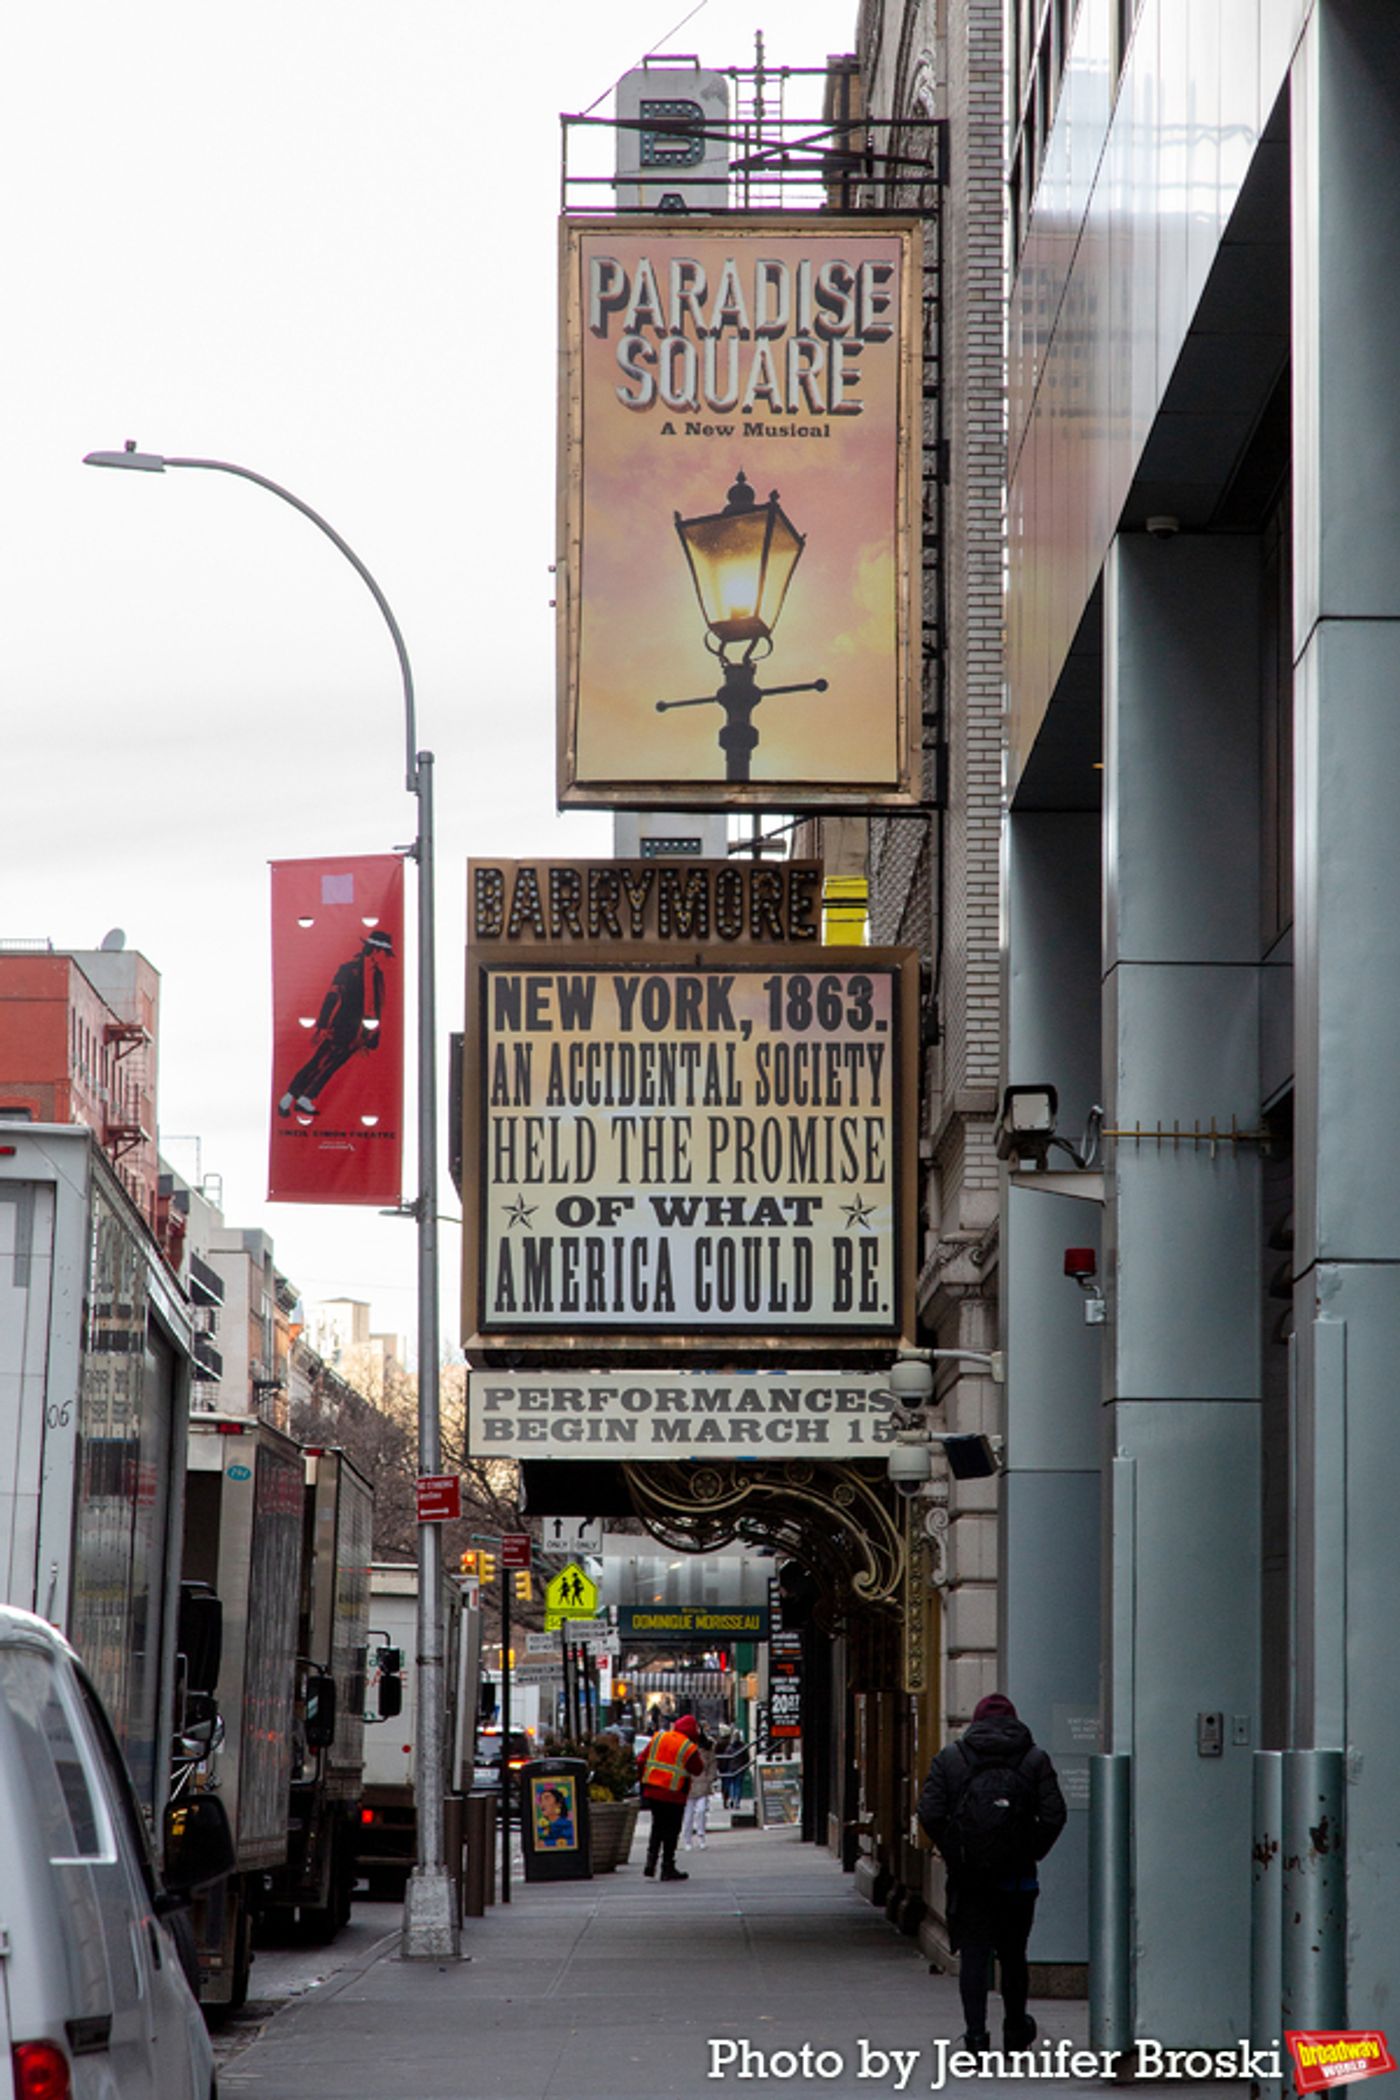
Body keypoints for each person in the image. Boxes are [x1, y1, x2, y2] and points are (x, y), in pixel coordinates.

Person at [917, 1693, 1067, 2053]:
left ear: (976, 1722)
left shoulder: (952, 1758)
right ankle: (1015, 2032)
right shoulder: (1034, 1759)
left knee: (973, 1954)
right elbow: (1053, 1815)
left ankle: (976, 2036)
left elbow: (930, 1811)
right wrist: (1030, 1852)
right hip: (1018, 1879)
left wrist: (956, 1852)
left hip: (970, 1879)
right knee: (1014, 1955)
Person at [277, 929, 394, 1117]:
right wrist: (323, 1025)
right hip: (341, 1025)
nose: (384, 957)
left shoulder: (378, 975)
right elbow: (333, 996)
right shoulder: (349, 969)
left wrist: (373, 1036)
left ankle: (306, 1098)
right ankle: (288, 1097)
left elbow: (378, 1006)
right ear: (373, 950)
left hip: (361, 1033)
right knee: (319, 1060)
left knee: (333, 1065)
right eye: (383, 952)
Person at [638, 1713, 705, 1881]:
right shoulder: (688, 1747)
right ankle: (667, 1866)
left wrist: (644, 1780)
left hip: (653, 1790)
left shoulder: (659, 1737)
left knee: (657, 1827)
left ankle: (650, 1862)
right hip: (674, 1794)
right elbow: (698, 1769)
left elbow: (640, 1760)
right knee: (672, 1830)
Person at [681, 1725, 717, 1850]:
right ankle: (687, 1839)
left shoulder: (707, 1747)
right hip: (689, 1784)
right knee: (688, 1814)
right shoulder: (685, 1746)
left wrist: (710, 1778)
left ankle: (701, 1836)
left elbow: (712, 1763)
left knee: (701, 1811)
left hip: (702, 1783)